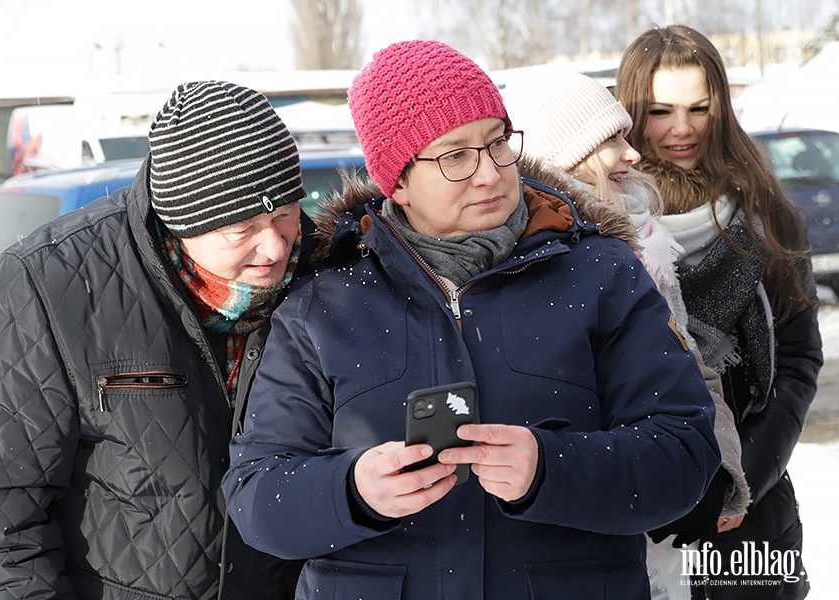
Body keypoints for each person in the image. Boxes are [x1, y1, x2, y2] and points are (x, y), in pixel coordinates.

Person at [222, 39, 721, 599]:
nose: (489, 174)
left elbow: (684, 452)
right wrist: (351, 491)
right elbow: (257, 495)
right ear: (398, 182)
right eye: (455, 155)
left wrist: (552, 469)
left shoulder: (602, 274)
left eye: (497, 143)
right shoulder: (323, 303)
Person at [0, 81, 312, 599]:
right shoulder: (41, 291)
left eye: (284, 213)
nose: (274, 246)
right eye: (242, 228)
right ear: (184, 222)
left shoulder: (323, 277)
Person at [502, 68, 752, 599]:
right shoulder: (529, 258)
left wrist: (718, 467)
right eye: (611, 140)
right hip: (572, 535)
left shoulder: (643, 242)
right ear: (564, 158)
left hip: (656, 516)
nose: (634, 153)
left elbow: (689, 367)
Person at [615, 25, 823, 598]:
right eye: (660, 110)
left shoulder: (766, 214)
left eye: (699, 108)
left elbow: (799, 356)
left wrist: (744, 478)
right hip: (638, 510)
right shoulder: (601, 220)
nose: (682, 130)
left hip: (748, 514)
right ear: (631, 111)